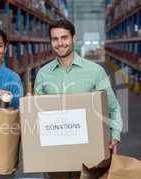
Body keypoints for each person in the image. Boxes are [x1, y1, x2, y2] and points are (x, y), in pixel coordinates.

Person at [34, 19, 122, 154]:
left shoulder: (95, 71)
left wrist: (115, 136)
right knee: (57, 176)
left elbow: (113, 107)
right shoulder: (43, 74)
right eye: (55, 39)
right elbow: (37, 113)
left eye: (64, 37)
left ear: (74, 38)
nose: (60, 43)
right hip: (55, 149)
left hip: (90, 145)